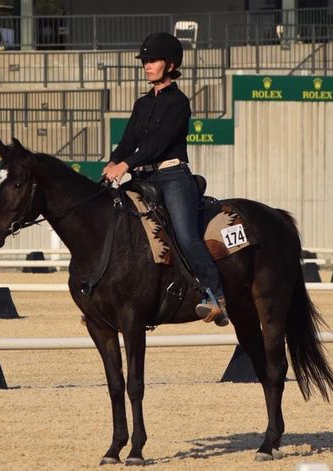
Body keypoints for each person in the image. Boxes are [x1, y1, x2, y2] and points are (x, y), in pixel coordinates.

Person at [102, 32, 229, 327]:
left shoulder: (180, 103)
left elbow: (156, 145)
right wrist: (112, 160)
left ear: (170, 65)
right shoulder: (142, 104)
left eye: (153, 60)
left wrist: (126, 164)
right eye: (145, 61)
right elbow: (128, 140)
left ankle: (216, 295)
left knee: (184, 236)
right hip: (144, 177)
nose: (147, 66)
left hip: (173, 177)